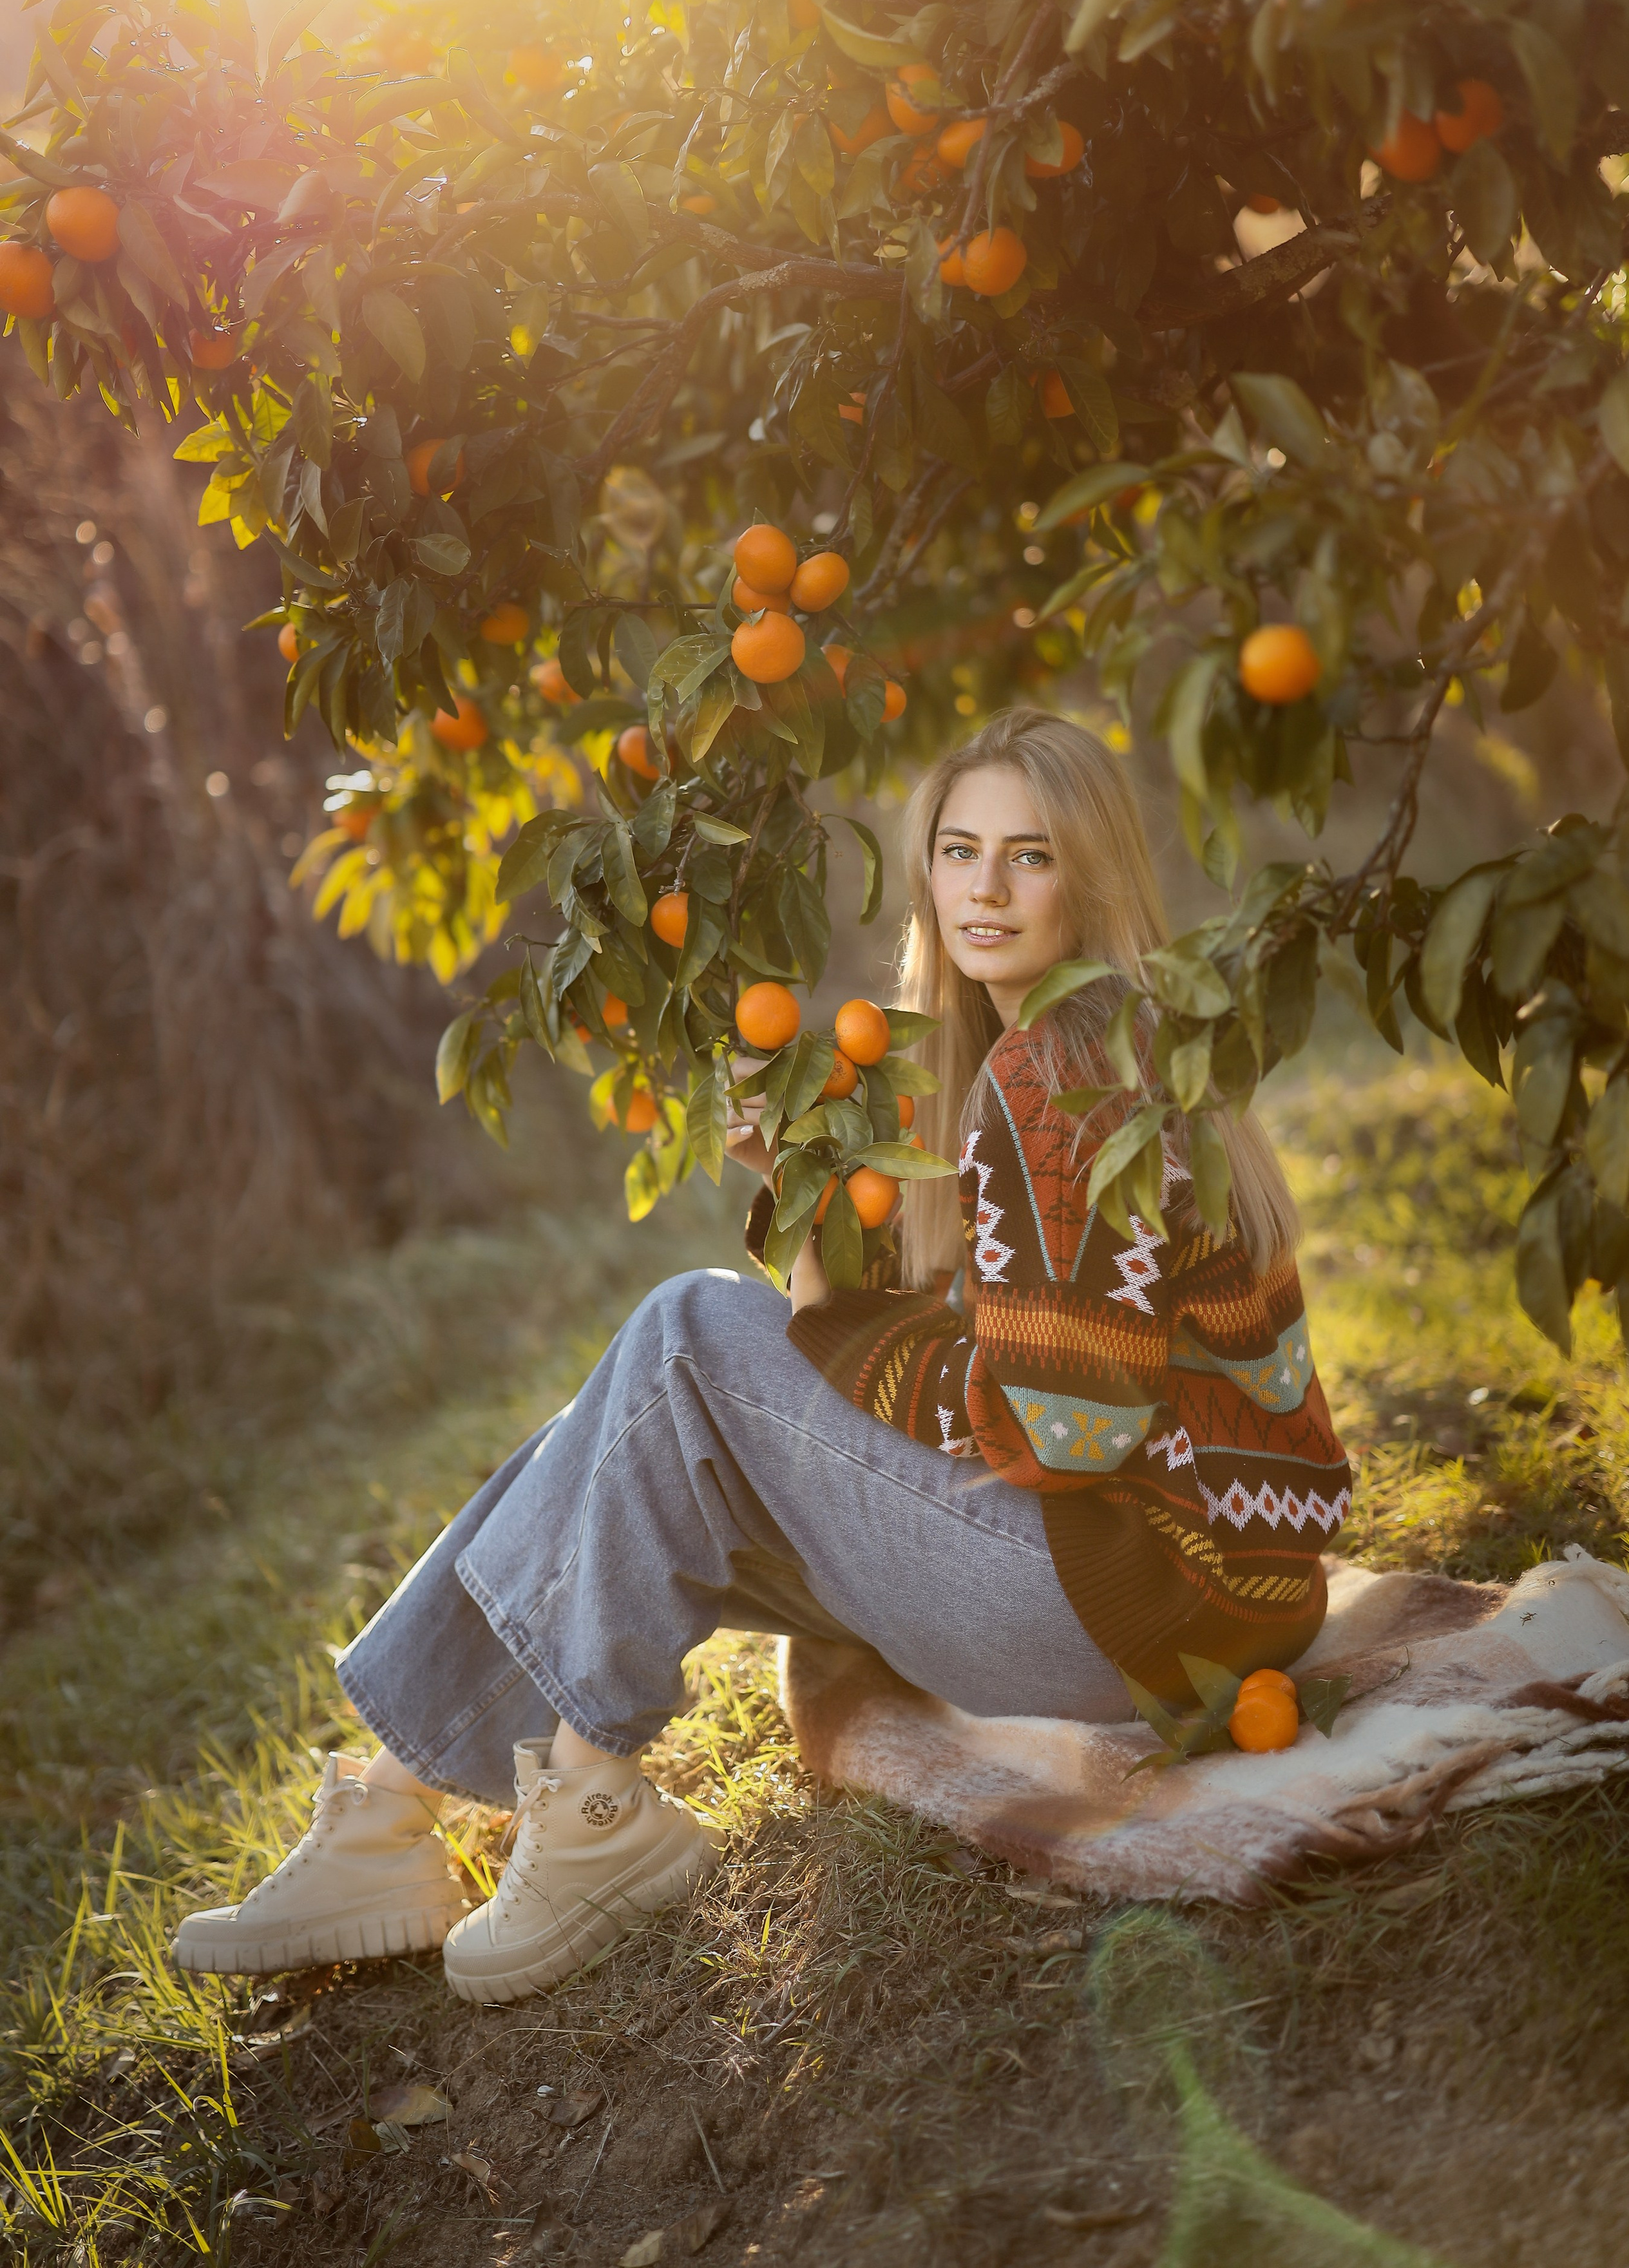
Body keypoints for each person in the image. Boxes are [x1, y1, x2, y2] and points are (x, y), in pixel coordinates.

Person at [173, 709, 1349, 2005]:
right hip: (1199, 1607)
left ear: (1092, 874)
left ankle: (580, 1806)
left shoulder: (1063, 1062)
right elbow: (1007, 1351)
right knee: (630, 1432)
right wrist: (807, 1203)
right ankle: (396, 1817)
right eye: (960, 851)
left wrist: (819, 1314)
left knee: (684, 1336)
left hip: (1135, 1611)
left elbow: (1059, 1425)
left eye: (1031, 856)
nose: (986, 889)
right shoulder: (1097, 1042)